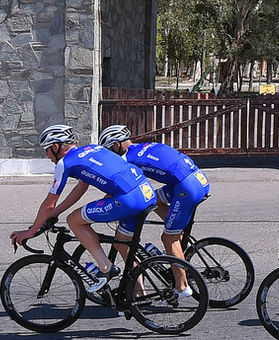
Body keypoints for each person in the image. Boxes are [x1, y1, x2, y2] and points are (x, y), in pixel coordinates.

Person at [9, 124, 157, 293]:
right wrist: (54, 215)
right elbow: (80, 189)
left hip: (128, 200)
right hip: (147, 193)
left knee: (74, 220)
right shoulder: (93, 149)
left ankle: (106, 268)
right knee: (123, 244)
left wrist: (31, 231)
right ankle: (138, 295)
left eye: (47, 149)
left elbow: (49, 203)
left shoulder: (64, 163)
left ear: (56, 147)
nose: (46, 154)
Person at [98, 124, 209, 298]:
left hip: (186, 188)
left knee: (168, 238)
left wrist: (104, 205)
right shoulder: (146, 145)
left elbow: (122, 188)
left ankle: (182, 287)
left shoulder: (127, 159)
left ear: (116, 145)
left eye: (110, 150)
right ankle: (175, 229)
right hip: (198, 179)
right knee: (155, 199)